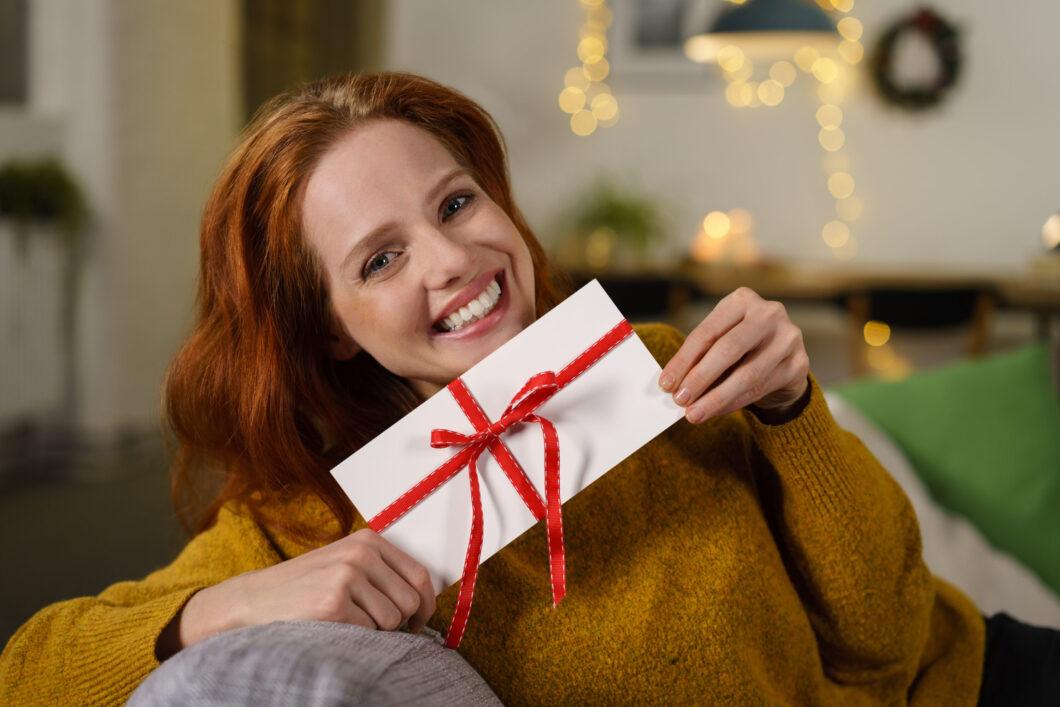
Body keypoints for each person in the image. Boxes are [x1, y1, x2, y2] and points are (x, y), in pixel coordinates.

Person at [0, 71, 1055, 706]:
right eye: (379, 258)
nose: (451, 259)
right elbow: (29, 669)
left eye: (456, 203)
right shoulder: (308, 514)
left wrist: (793, 412)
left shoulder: (660, 364)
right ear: (326, 325)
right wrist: (219, 607)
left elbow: (886, 631)